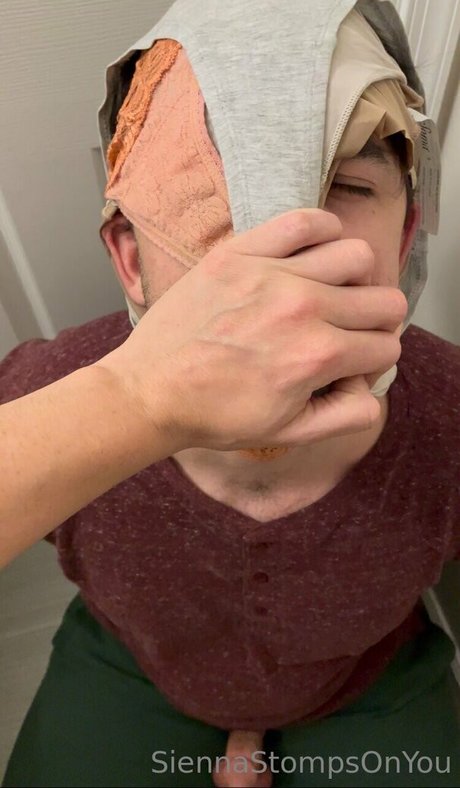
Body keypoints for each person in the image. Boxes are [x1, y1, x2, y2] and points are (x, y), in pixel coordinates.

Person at [2, 0, 460, 786]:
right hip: (138, 663)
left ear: (405, 236)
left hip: (364, 678)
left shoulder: (450, 415)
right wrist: (131, 407)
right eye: (206, 195)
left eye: (348, 183)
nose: (277, 276)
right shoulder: (48, 395)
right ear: (130, 259)